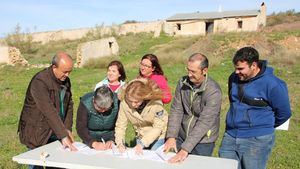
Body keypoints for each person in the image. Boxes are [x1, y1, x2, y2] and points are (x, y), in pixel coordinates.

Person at [219, 47, 292, 169]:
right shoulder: (233, 78)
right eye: (235, 68)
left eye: (240, 68)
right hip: (230, 136)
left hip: (257, 140)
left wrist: (262, 126)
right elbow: (234, 101)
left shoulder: (273, 84)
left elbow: (284, 113)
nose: (236, 72)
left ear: (254, 65)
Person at [18, 52, 77, 168]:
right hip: (36, 132)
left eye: (70, 71)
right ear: (54, 67)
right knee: (37, 164)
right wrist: (63, 135)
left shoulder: (65, 81)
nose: (67, 75)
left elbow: (69, 104)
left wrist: (67, 128)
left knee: (58, 163)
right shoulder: (40, 82)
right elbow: (48, 110)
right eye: (65, 71)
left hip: (55, 130)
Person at [164, 53, 222, 163]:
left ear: (204, 71)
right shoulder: (182, 83)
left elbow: (205, 122)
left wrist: (185, 148)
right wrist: (171, 136)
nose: (189, 75)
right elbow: (176, 110)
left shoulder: (213, 91)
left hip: (203, 141)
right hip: (181, 135)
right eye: (188, 70)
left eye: (193, 72)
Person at [114, 78, 168, 154]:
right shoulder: (124, 104)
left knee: (154, 158)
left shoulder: (156, 104)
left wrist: (142, 144)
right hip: (140, 136)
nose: (133, 104)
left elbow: (158, 128)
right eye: (130, 101)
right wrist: (120, 143)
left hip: (158, 136)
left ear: (144, 97)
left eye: (136, 102)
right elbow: (120, 126)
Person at [76, 85, 119, 150]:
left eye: (106, 108)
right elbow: (81, 127)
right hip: (90, 138)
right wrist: (93, 143)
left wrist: (112, 140)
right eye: (99, 108)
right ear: (93, 100)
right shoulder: (85, 102)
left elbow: (120, 125)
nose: (103, 111)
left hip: (111, 137)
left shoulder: (117, 102)